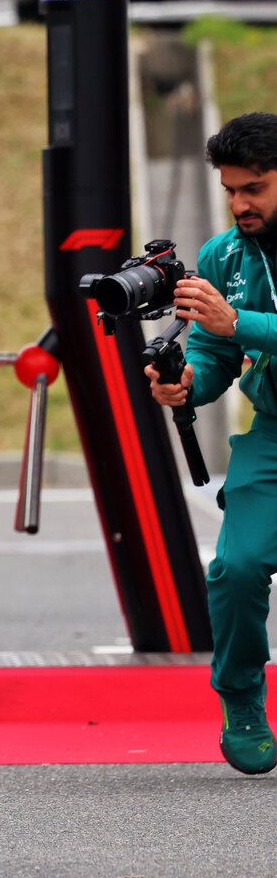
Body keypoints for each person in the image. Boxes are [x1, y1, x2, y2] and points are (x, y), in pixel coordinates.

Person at [147, 111, 277, 777]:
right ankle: (242, 698)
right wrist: (187, 385)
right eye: (230, 190)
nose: (239, 204)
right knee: (236, 568)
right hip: (273, 436)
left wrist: (241, 321)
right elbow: (215, 356)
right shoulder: (224, 256)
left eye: (253, 187)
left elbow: (238, 327)